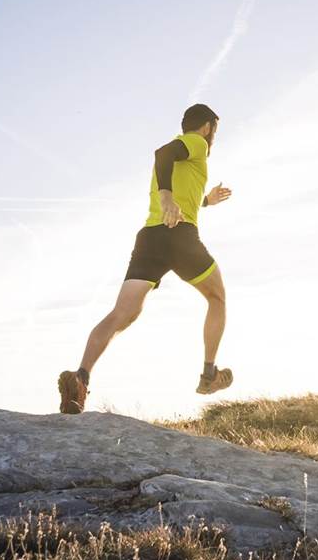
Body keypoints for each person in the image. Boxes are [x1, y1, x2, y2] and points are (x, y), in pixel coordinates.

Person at [57, 103, 234, 413]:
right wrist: (167, 198)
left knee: (122, 314)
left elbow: (182, 191)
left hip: (151, 239)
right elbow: (162, 154)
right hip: (180, 235)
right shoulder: (196, 143)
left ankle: (81, 377)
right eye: (214, 131)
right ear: (207, 127)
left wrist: (206, 201)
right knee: (217, 297)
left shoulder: (186, 158)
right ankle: (209, 374)